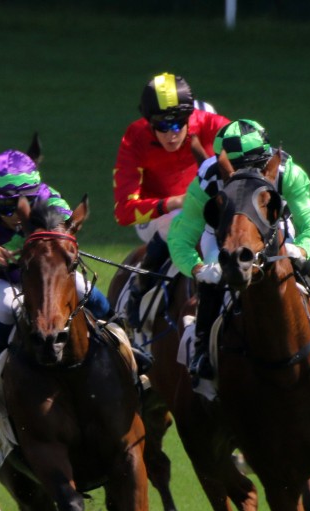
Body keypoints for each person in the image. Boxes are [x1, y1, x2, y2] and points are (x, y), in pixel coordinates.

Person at [168, 118, 310, 382]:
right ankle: (202, 349)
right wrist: (199, 269)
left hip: (271, 226)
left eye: (257, 168)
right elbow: (180, 239)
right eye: (239, 170)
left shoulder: (287, 172)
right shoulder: (207, 180)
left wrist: (302, 251)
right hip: (223, 234)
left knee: (294, 259)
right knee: (216, 275)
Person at [0, 150, 112, 414]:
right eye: (1, 208)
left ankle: (124, 342)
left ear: (32, 196)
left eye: (17, 205)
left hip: (48, 278)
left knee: (86, 290)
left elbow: (66, 224)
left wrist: (31, 246)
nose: (11, 215)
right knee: (6, 306)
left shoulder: (48, 196)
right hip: (3, 280)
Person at [113, 72, 229, 328]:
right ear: (149, 123)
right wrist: (174, 202)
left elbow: (250, 145)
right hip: (156, 214)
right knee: (180, 218)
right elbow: (123, 212)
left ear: (190, 117)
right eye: (162, 126)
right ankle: (140, 290)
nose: (171, 133)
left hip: (207, 206)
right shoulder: (135, 137)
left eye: (178, 124)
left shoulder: (211, 123)